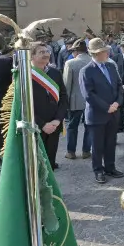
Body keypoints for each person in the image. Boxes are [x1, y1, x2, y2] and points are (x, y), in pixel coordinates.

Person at [79, 38, 124, 184]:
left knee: (111, 142)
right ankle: (98, 170)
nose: (107, 53)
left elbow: (119, 86)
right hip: (97, 115)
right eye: (104, 51)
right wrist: (107, 107)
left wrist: (117, 102)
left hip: (113, 112)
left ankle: (110, 167)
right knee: (97, 146)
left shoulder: (110, 66)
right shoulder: (86, 71)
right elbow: (88, 94)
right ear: (96, 54)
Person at [30, 42, 69, 170]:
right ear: (32, 56)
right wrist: (42, 124)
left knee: (50, 160)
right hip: (35, 126)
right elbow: (22, 104)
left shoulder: (55, 72)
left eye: (47, 52)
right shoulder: (25, 75)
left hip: (54, 124)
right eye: (42, 52)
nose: (46, 54)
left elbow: (63, 97)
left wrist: (57, 120)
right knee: (37, 164)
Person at [62, 39, 93, 161]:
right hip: (91, 100)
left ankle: (71, 151)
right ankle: (86, 151)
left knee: (72, 126)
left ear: (75, 51)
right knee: (89, 126)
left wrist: (65, 102)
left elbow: (67, 85)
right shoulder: (93, 61)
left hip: (75, 100)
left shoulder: (70, 63)